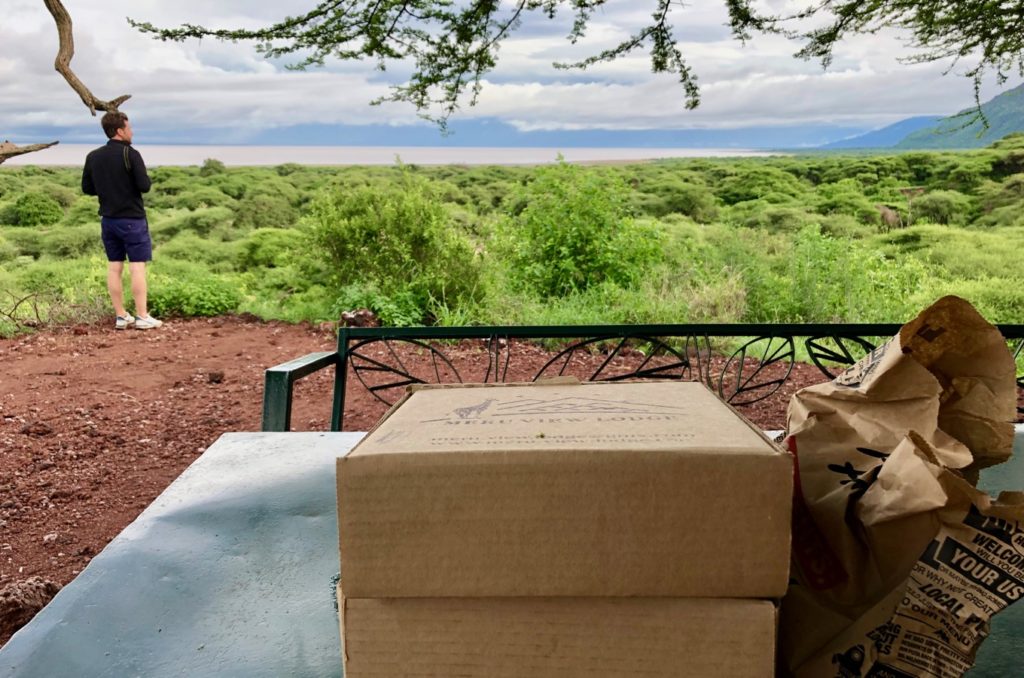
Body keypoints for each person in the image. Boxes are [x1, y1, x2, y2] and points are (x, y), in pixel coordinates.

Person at [82, 111, 163, 330]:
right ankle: (142, 316)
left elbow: (87, 188)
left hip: (108, 220)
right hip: (132, 220)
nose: (132, 131)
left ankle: (121, 316)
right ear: (120, 130)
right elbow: (144, 185)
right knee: (137, 267)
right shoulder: (131, 154)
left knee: (114, 267)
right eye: (129, 127)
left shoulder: (93, 156)